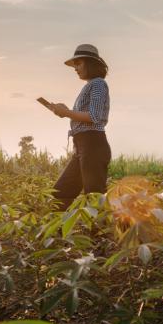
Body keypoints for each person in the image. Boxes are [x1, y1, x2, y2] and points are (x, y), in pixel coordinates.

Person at [49, 43, 112, 210]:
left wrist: (67, 112)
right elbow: (85, 115)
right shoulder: (89, 85)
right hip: (82, 147)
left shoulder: (98, 84)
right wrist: (64, 110)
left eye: (79, 63)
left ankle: (99, 235)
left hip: (93, 145)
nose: (75, 68)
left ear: (90, 63)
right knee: (59, 194)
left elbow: (94, 116)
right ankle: (57, 235)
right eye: (74, 65)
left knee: (94, 198)